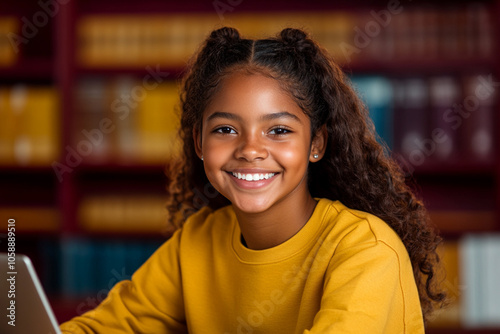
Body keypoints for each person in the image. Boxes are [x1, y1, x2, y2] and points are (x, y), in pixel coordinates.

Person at [60, 27, 446, 333]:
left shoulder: (367, 251)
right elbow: (102, 328)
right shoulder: (197, 242)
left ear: (316, 143)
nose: (250, 149)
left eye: (278, 130)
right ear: (198, 142)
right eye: (226, 129)